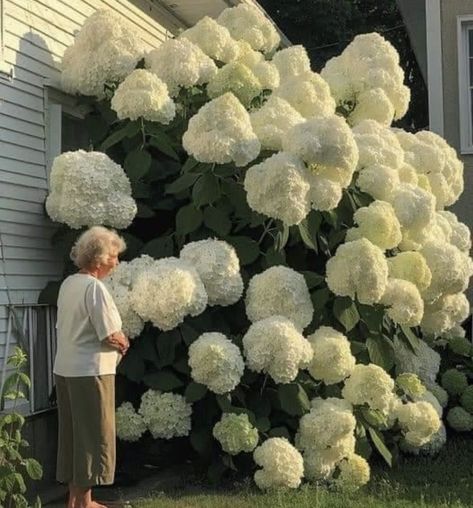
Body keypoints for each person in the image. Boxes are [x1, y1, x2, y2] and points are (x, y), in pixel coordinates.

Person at [53, 226, 130, 508]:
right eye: (114, 256)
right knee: (93, 438)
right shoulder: (94, 288)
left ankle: (77, 499)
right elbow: (109, 333)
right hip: (91, 373)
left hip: (66, 369)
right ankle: (84, 504)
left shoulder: (68, 284)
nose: (116, 262)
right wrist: (123, 341)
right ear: (99, 259)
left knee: (75, 437)